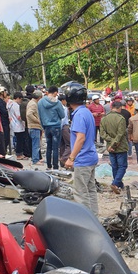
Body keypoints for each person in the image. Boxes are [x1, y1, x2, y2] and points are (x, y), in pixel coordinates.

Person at [64, 83, 99, 215]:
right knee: (90, 191)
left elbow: (80, 138)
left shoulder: (78, 115)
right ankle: (94, 219)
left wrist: (71, 158)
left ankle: (85, 222)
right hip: (91, 157)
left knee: (80, 193)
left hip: (82, 159)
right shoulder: (86, 112)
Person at [100, 100, 128, 194]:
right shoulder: (121, 119)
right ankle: (115, 183)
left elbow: (102, 134)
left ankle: (119, 184)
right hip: (120, 146)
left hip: (110, 147)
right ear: (119, 108)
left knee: (114, 166)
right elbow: (120, 134)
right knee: (122, 166)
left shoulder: (104, 119)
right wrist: (114, 143)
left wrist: (111, 143)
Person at [38, 86, 66, 170]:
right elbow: (62, 115)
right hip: (56, 127)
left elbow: (40, 116)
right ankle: (55, 166)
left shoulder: (40, 102)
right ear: (54, 92)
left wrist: (43, 126)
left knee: (48, 147)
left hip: (46, 127)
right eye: (56, 93)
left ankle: (49, 166)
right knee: (55, 148)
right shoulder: (57, 103)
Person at [27, 89, 43, 165]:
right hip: (34, 126)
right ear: (39, 97)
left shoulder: (31, 102)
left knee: (35, 144)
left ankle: (35, 158)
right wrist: (38, 120)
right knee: (36, 144)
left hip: (33, 126)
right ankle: (35, 160)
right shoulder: (33, 104)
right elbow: (29, 114)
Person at [8, 91, 26, 159]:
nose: (21, 101)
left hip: (13, 123)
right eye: (20, 99)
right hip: (18, 125)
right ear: (18, 98)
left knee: (17, 140)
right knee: (20, 141)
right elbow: (19, 116)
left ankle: (19, 153)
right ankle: (19, 154)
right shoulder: (16, 105)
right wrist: (24, 119)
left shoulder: (10, 104)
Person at [0, 86, 11, 154]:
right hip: (3, 122)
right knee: (5, 138)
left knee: (7, 138)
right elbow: (4, 112)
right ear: (1, 93)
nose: (6, 93)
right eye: (5, 92)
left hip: (5, 122)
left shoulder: (1, 101)